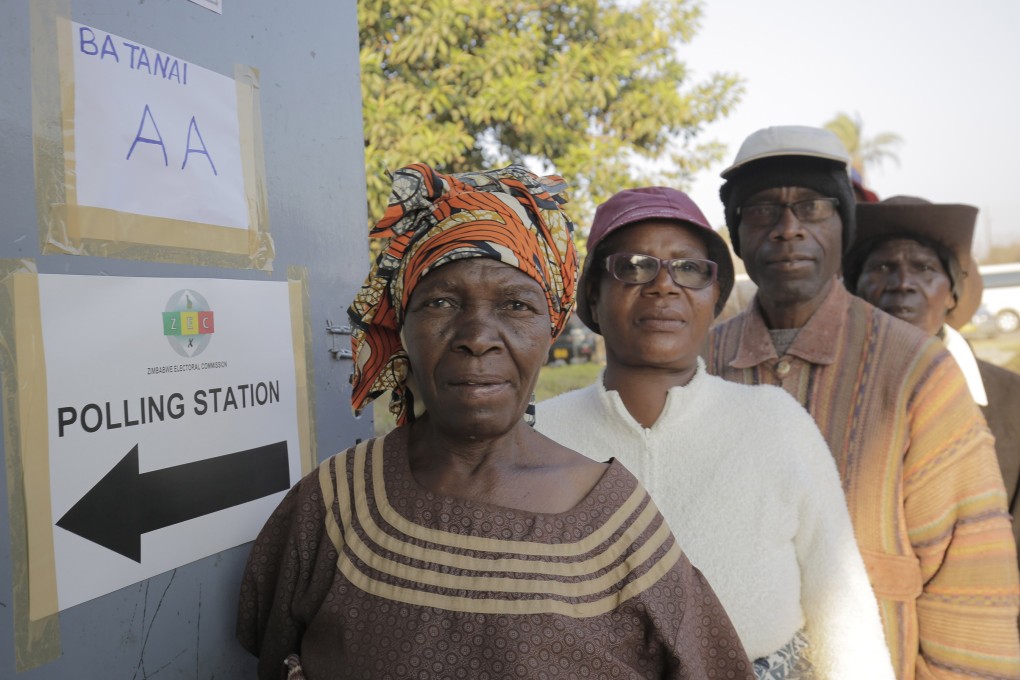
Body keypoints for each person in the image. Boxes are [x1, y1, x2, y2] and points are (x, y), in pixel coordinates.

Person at [236, 163, 753, 680]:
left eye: (514, 305)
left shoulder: (615, 523)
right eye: (440, 302)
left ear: (550, 333)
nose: (478, 336)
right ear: (401, 328)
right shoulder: (338, 501)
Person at [536, 186, 895, 679]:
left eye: (689, 269)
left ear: (714, 298)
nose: (664, 285)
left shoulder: (774, 422)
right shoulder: (539, 434)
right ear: (593, 298)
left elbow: (842, 605)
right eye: (634, 266)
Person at [706, 125, 1020, 680]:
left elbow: (970, 583)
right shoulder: (700, 363)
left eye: (811, 207)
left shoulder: (916, 371)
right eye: (760, 210)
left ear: (843, 228)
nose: (787, 229)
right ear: (734, 232)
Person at [845, 195, 1020, 584]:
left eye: (924, 268)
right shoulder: (827, 394)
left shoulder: (1012, 401)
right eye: (883, 267)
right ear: (855, 291)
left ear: (953, 293)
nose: (903, 283)